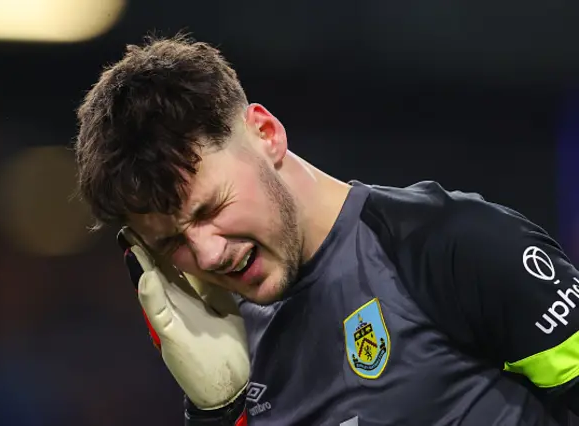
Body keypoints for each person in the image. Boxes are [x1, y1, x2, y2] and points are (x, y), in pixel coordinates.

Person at [74, 33, 579, 425]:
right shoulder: (221, 358)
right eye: (171, 242)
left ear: (266, 134)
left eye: (209, 210)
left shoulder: (453, 246)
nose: (206, 255)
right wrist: (214, 417)